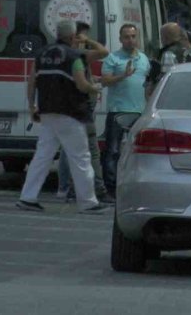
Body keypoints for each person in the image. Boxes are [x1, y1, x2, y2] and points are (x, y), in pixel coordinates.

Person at [17, 20, 109, 213]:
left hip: (47, 112)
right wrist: (95, 88)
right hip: (70, 113)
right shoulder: (75, 56)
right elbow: (82, 83)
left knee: (42, 156)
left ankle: (27, 197)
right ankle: (88, 202)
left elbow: (32, 81)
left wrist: (32, 106)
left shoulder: (41, 55)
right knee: (81, 158)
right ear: (73, 36)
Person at [57, 21, 113, 204]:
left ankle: (72, 189)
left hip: (69, 109)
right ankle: (95, 189)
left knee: (73, 152)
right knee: (89, 153)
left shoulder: (59, 54)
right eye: (82, 36)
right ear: (75, 37)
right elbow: (104, 52)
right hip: (80, 109)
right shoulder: (77, 55)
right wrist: (87, 41)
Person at [99, 24, 151, 198]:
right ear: (120, 39)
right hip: (118, 111)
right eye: (127, 37)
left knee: (139, 151)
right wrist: (123, 75)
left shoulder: (144, 59)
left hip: (140, 112)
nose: (131, 40)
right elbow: (104, 81)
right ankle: (111, 189)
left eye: (133, 36)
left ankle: (135, 187)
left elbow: (148, 84)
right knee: (113, 151)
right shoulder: (113, 58)